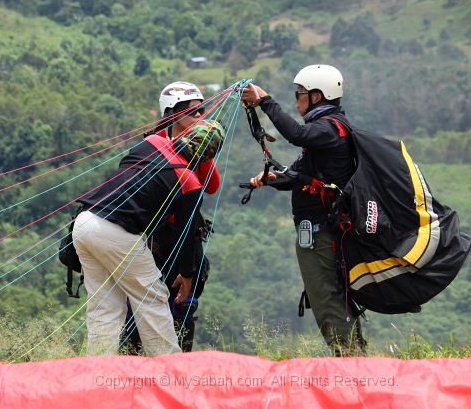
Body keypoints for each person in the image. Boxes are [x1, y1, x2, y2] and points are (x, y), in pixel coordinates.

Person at [72, 121, 224, 356]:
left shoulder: (151, 143)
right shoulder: (190, 183)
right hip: (116, 233)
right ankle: (170, 372)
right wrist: (187, 274)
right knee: (153, 299)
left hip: (84, 222)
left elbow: (127, 168)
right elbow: (184, 236)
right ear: (206, 158)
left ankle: (97, 374)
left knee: (105, 308)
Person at [241, 65, 363, 355]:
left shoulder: (328, 128)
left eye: (300, 94)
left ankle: (350, 357)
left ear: (317, 96)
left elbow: (296, 134)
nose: (296, 101)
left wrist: (265, 101)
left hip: (321, 233)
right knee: (329, 292)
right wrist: (273, 180)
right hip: (322, 230)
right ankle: (352, 355)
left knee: (324, 294)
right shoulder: (327, 131)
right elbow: (303, 176)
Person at [122, 81, 221, 353]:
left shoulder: (198, 148)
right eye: (193, 112)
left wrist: (202, 153)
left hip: (188, 234)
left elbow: (212, 185)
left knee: (186, 299)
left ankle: (180, 362)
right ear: (173, 114)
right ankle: (131, 360)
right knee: (148, 300)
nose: (200, 117)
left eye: (202, 111)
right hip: (159, 237)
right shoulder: (157, 146)